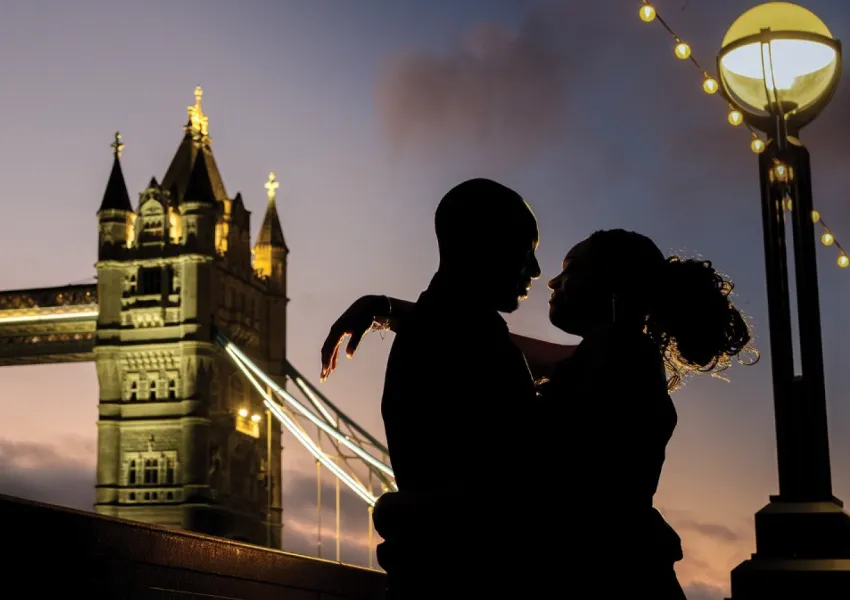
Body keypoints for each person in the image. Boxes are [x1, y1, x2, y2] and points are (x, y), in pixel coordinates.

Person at [321, 229, 755, 598]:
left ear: (612, 289)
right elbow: (504, 349)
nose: (551, 281)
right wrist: (392, 310)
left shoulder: (620, 359)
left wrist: (408, 512)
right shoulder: (619, 355)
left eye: (572, 269)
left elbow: (534, 484)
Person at [352, 178, 543, 599]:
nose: (535, 270)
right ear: (483, 244)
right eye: (525, 249)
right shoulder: (465, 339)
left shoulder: (442, 327)